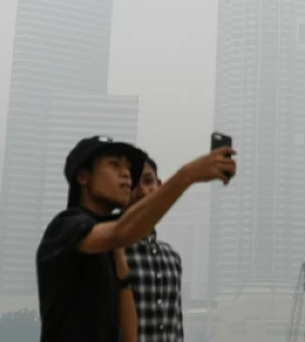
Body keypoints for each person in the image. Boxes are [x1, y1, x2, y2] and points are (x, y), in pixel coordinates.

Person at [36, 136, 236, 342]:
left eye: (128, 168)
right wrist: (188, 175)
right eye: (114, 165)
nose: (126, 175)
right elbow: (121, 231)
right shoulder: (65, 227)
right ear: (84, 176)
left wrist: (122, 274)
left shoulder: (115, 247)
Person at [125, 157, 186, 341]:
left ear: (160, 186)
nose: (143, 192)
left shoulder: (171, 258)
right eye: (133, 184)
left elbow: (176, 328)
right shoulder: (108, 252)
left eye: (149, 181)